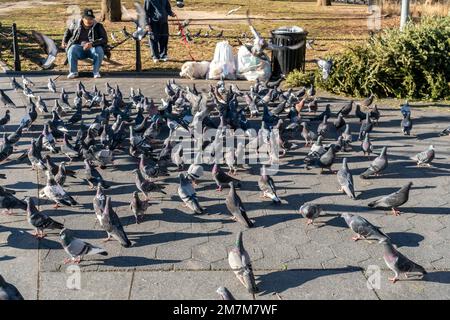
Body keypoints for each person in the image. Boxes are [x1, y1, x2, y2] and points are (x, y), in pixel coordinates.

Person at [62, 8, 108, 79]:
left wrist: (92, 44)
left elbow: (104, 39)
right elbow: (68, 32)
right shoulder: (75, 24)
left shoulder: (98, 26)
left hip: (93, 49)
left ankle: (96, 72)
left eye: (91, 18)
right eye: (87, 18)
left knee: (99, 50)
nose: (90, 20)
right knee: (72, 49)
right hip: (79, 48)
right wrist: (64, 41)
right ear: (83, 18)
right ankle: (73, 72)